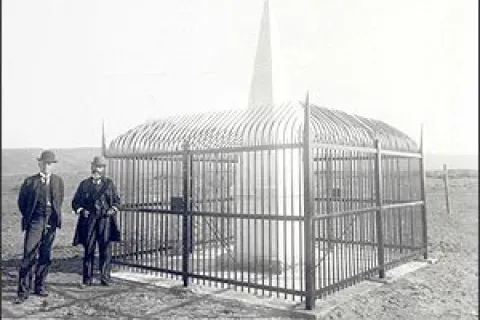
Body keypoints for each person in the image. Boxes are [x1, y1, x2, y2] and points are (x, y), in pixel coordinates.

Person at [15, 150, 64, 304]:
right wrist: (32, 217)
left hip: (51, 222)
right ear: (39, 164)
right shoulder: (30, 182)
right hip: (35, 221)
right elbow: (22, 203)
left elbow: (59, 200)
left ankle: (40, 286)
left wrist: (53, 218)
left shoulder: (58, 181)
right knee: (29, 253)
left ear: (53, 166)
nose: (47, 166)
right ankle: (23, 290)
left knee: (45, 255)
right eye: (44, 163)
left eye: (50, 164)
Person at [72, 156, 121, 287]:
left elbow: (117, 201)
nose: (97, 169)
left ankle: (105, 278)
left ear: (103, 169)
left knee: (105, 249)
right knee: (89, 249)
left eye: (100, 167)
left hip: (105, 221)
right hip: (89, 222)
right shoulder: (84, 184)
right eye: (95, 166)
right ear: (91, 167)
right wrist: (82, 211)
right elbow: (75, 203)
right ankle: (87, 280)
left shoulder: (109, 184)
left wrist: (113, 209)